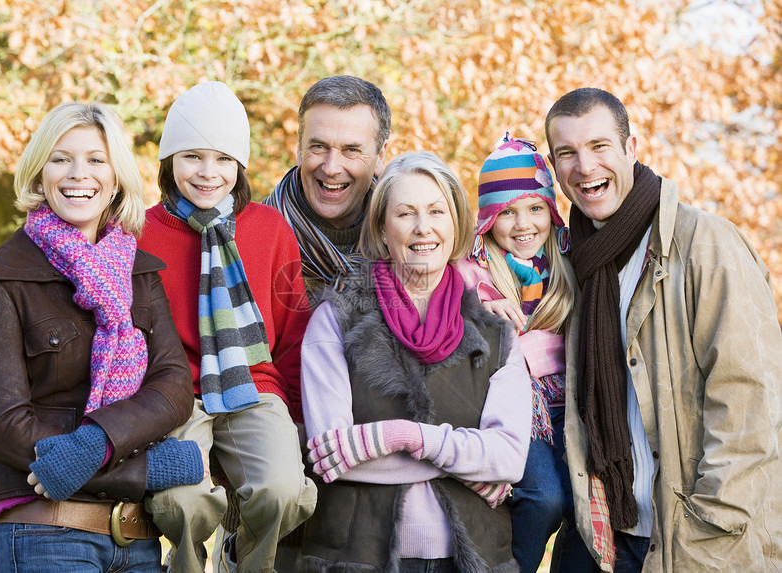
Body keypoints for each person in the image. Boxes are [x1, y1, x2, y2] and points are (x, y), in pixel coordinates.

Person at [0, 102, 207, 572]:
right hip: (43, 533)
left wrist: (94, 445)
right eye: (61, 158)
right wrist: (145, 470)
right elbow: (7, 428)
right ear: (39, 173)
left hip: (137, 542)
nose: (79, 174)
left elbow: (172, 387)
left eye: (96, 160)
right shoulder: (1, 280)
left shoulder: (140, 274)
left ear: (116, 177)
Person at [545, 87, 782, 572]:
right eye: (567, 153)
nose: (585, 167)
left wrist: (709, 528)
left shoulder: (704, 244)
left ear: (633, 149)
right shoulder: (572, 266)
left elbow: (750, 403)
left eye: (599, 146)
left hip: (693, 540)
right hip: (605, 538)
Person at [299, 151, 532, 573]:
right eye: (406, 213)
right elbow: (331, 453)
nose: (423, 228)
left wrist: (404, 437)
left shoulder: (497, 333)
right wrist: (466, 465)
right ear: (383, 230)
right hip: (357, 554)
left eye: (436, 211)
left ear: (455, 223)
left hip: (474, 554)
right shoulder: (335, 319)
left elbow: (509, 459)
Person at [137, 81, 317, 573]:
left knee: (282, 491)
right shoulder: (140, 231)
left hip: (254, 384)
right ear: (168, 161)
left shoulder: (268, 227)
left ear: (239, 164)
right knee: (181, 502)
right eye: (192, 156)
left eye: (222, 158)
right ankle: (189, 563)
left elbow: (294, 328)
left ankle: (243, 558)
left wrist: (297, 415)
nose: (208, 172)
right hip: (173, 390)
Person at [456, 134, 598, 572]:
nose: (523, 224)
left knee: (585, 501)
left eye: (535, 208)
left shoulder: (566, 262)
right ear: (487, 220)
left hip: (568, 402)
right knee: (544, 497)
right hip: (518, 405)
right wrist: (480, 309)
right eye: (507, 212)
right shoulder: (474, 272)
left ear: (552, 213)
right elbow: (449, 301)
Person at [264, 75, 391, 299]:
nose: (331, 168)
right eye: (319, 146)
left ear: (380, 157)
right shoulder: (253, 240)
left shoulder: (405, 241)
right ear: (299, 150)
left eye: (351, 150)